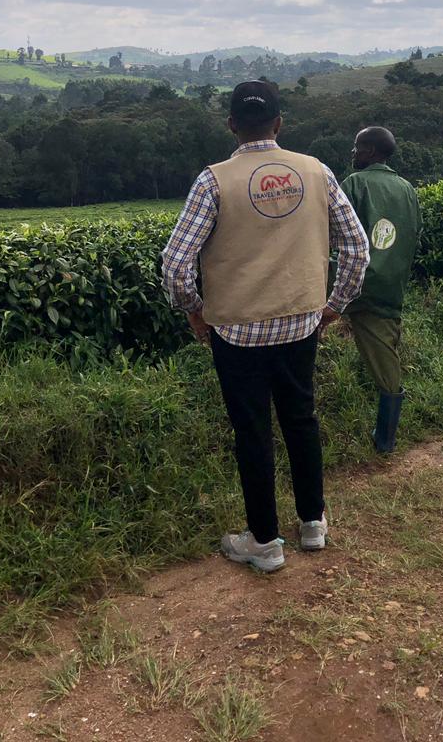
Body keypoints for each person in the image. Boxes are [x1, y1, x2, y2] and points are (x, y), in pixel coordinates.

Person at [161, 81, 369, 572]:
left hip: (236, 329)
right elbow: (357, 247)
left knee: (252, 429)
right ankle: (313, 523)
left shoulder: (213, 181)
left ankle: (265, 543)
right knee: (301, 418)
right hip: (302, 322)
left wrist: (194, 308)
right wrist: (333, 305)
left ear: (231, 125)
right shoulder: (317, 172)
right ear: (279, 123)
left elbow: (175, 263)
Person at [340, 127, 421, 454]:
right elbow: (414, 233)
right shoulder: (406, 188)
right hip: (392, 283)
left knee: (382, 363)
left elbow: (338, 233)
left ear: (371, 151)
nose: (353, 153)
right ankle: (384, 435)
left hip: (357, 285)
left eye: (357, 147)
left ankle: (385, 439)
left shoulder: (355, 184)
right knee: (386, 347)